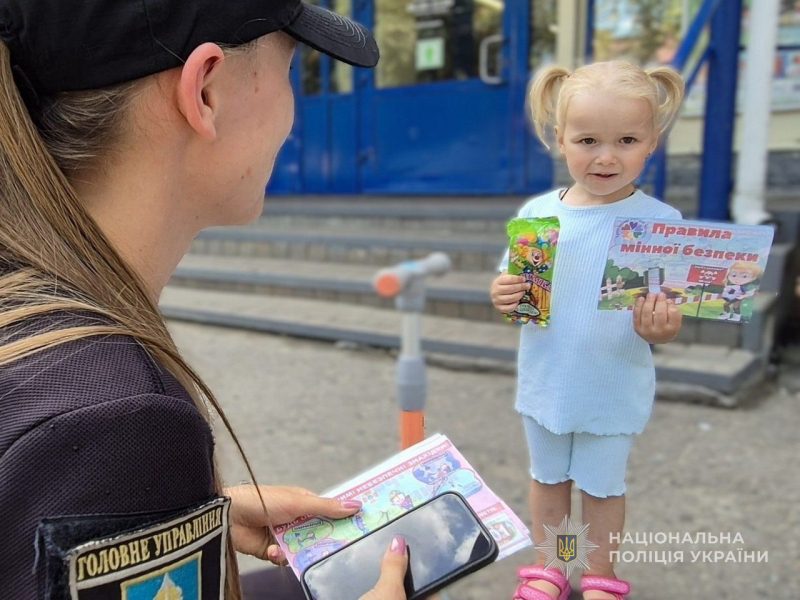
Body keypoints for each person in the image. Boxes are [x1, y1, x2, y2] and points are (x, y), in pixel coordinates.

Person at [0, 1, 407, 598]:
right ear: (206, 92)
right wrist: (136, 482)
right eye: (289, 68)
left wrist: (175, 514)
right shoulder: (121, 421)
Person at [489, 61, 685, 600]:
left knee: (601, 488)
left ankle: (599, 577)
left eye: (626, 139)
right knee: (549, 482)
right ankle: (554, 566)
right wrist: (503, 294)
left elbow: (666, 317)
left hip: (612, 385)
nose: (605, 156)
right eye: (588, 139)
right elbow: (517, 294)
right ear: (560, 140)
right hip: (548, 379)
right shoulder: (538, 215)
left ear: (652, 143)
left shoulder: (660, 223)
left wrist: (662, 326)